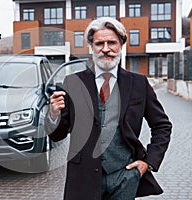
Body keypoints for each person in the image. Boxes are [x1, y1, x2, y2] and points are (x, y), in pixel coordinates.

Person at [45, 17, 172, 200]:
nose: (106, 49)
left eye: (111, 42)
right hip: (82, 177)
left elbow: (162, 126)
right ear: (91, 47)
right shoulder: (73, 83)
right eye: (99, 43)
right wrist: (53, 115)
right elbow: (58, 135)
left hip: (124, 177)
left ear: (121, 45)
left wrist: (147, 162)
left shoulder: (138, 83)